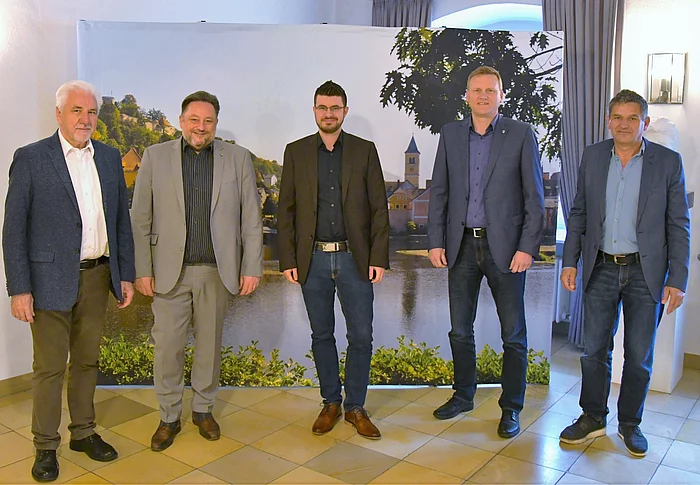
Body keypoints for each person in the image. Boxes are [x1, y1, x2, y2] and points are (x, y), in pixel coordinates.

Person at [2, 80, 135, 482]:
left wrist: (125, 274)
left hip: (97, 276)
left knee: (87, 362)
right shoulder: (31, 158)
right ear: (59, 114)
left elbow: (120, 222)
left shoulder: (108, 158)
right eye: (77, 110)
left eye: (91, 111)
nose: (85, 119)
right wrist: (19, 288)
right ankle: (45, 446)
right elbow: (13, 230)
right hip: (47, 282)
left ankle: (83, 433)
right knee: (48, 369)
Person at [559, 89, 690, 456]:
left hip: (646, 274)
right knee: (594, 351)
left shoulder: (668, 163)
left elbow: (679, 224)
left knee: (638, 355)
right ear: (608, 121)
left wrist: (677, 279)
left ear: (644, 123)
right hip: (600, 267)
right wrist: (569, 260)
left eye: (633, 118)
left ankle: (630, 424)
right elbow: (579, 213)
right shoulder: (593, 156)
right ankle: (593, 417)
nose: (624, 124)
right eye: (617, 117)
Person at [130, 91, 263, 451]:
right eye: (194, 119)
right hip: (168, 273)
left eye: (208, 121)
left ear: (216, 123)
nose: (200, 127)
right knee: (167, 349)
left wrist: (251, 266)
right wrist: (142, 269)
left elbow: (251, 218)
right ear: (181, 121)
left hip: (216, 271)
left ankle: (203, 410)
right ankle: (168, 416)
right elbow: (140, 219)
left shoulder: (238, 158)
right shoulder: (155, 157)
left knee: (209, 348)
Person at [427, 66, 545, 439]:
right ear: (466, 96)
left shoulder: (521, 134)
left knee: (513, 334)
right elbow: (439, 192)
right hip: (460, 246)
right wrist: (435, 240)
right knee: (460, 330)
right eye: (476, 90)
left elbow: (535, 198)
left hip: (507, 250)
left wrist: (527, 248)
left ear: (501, 95)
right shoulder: (450, 134)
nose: (482, 96)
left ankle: (511, 408)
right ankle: (463, 396)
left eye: (490, 90)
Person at [277, 80, 390, 439]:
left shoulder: (364, 151)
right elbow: (286, 211)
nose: (329, 114)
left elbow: (379, 208)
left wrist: (378, 257)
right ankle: (330, 402)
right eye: (323, 107)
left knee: (361, 336)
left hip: (355, 260)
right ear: (315, 111)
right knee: (322, 334)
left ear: (345, 111)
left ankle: (355, 407)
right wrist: (288, 259)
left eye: (335, 108)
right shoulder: (296, 152)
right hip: (312, 261)